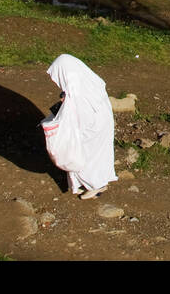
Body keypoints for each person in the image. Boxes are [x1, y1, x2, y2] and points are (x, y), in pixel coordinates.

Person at [41, 54, 118, 200]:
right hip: (101, 120)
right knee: (99, 155)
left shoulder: (80, 97)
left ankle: (95, 185)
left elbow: (80, 119)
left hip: (92, 127)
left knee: (87, 156)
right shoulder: (86, 80)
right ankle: (96, 182)